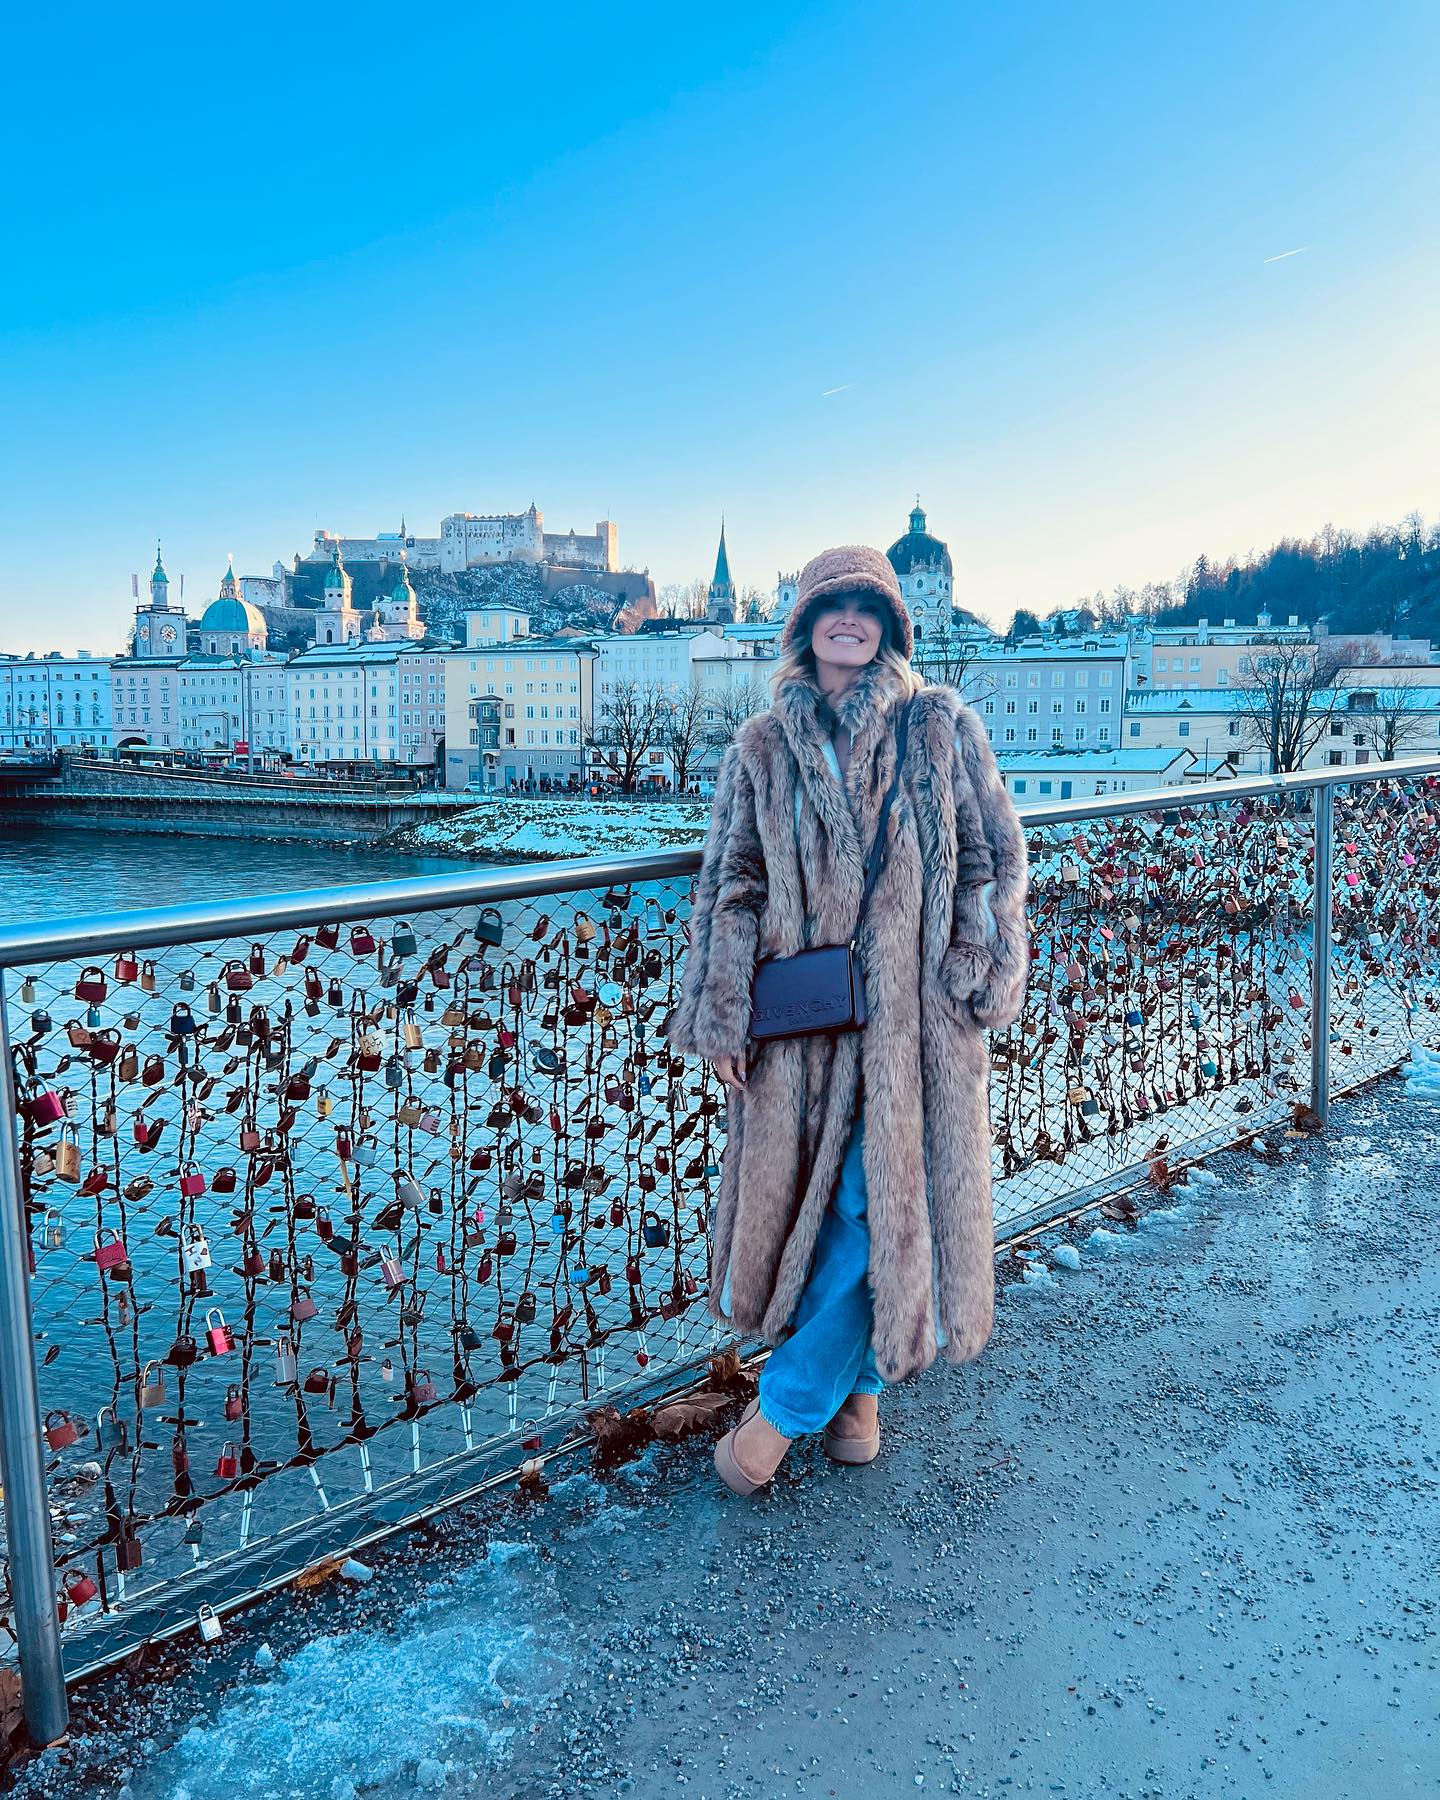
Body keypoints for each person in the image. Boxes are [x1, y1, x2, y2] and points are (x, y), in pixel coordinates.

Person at [664, 544, 1030, 1496]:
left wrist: (980, 966)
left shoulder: (937, 726)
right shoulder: (762, 747)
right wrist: (722, 1010)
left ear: (890, 627)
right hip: (806, 1019)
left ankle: (781, 1414)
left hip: (913, 1020)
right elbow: (730, 886)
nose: (852, 621)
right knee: (828, 1213)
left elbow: (993, 856)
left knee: (878, 1209)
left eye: (870, 608)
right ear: (804, 624)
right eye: (835, 605)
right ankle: (859, 1399)